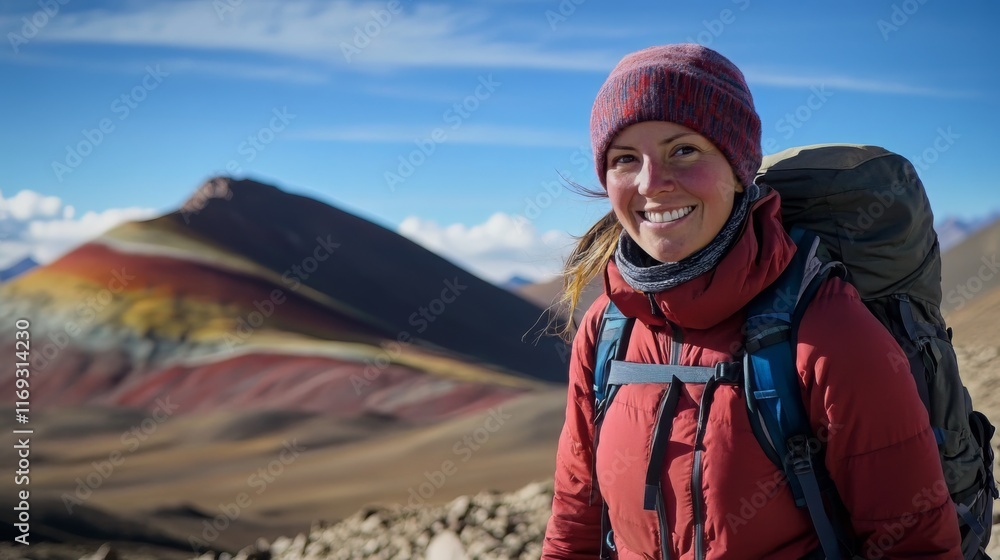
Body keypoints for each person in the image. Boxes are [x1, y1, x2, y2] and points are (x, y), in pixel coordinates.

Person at [541, 44, 962, 559]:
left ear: (739, 168)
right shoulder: (608, 328)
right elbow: (575, 522)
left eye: (684, 150)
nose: (651, 183)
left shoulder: (827, 330)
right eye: (625, 159)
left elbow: (914, 546)